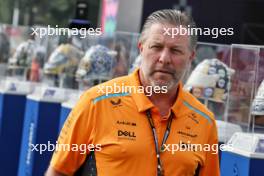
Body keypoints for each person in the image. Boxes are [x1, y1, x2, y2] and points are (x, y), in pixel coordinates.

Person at [46, 9, 220, 176]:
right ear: (141, 48)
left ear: (191, 57)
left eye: (176, 50)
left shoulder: (205, 121)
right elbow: (59, 172)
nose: (164, 58)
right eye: (156, 46)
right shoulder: (96, 102)